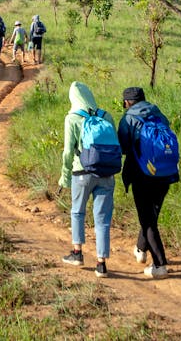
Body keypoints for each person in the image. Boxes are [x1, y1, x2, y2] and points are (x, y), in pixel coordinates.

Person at [117, 86, 180, 279]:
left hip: (142, 174)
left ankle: (160, 265)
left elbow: (124, 147)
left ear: (127, 102)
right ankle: (141, 249)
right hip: (166, 172)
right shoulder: (159, 114)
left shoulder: (128, 118)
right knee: (151, 215)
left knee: (147, 220)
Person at [59, 81, 118, 278]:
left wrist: (64, 177)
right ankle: (101, 264)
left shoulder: (72, 118)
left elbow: (68, 151)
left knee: (78, 212)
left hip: (81, 172)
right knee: (103, 219)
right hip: (106, 173)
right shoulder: (105, 116)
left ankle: (77, 253)